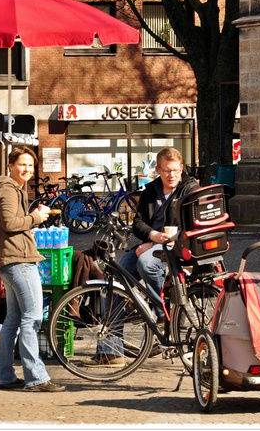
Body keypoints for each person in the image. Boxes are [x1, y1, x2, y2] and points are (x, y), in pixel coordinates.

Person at [90, 147, 198, 367]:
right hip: (152, 244)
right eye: (167, 171)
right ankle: (111, 350)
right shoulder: (150, 191)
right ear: (157, 170)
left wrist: (155, 240)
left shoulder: (190, 190)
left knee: (145, 263)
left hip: (177, 249)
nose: (172, 175)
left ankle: (161, 312)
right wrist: (151, 235)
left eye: (176, 170)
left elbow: (191, 224)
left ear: (181, 169)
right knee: (115, 280)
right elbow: (137, 223)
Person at [0, 146, 64, 392]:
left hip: (11, 259)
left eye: (31, 165)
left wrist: (31, 215)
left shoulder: (12, 189)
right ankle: (36, 378)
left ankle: (6, 376)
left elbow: (12, 221)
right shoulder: (8, 189)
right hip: (18, 259)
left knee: (13, 320)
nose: (27, 169)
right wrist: (35, 219)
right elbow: (10, 223)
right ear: (10, 165)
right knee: (32, 318)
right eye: (22, 164)